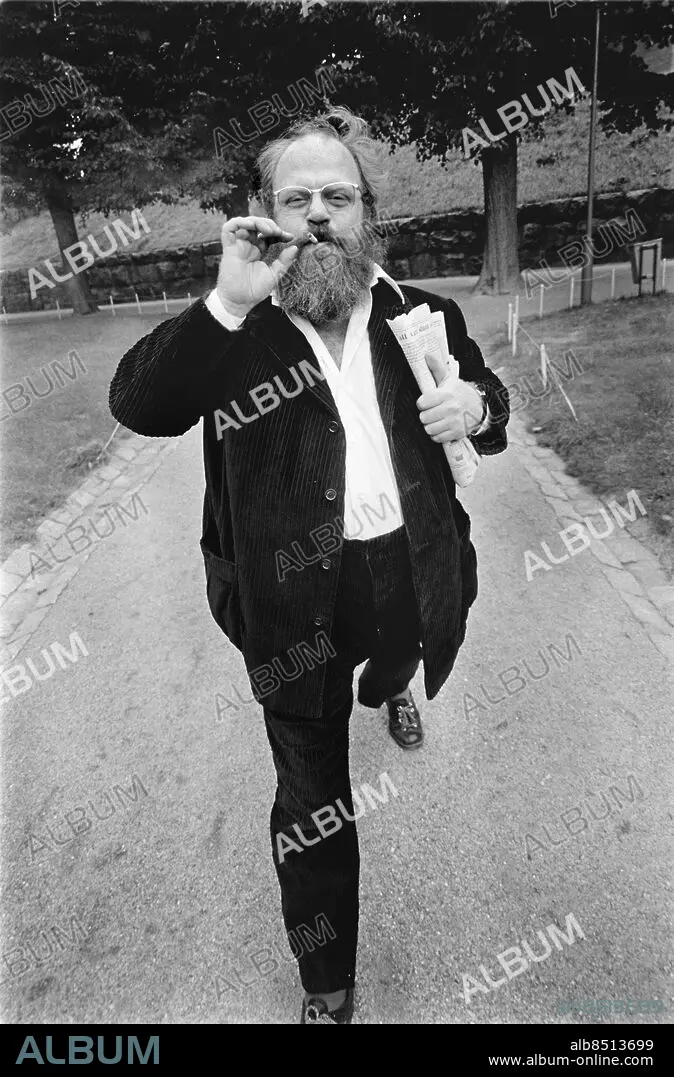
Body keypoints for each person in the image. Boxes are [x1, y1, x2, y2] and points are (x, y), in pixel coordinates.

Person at [109, 106, 510, 1024]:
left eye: (339, 196)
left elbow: (490, 405)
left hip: (409, 572)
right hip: (293, 605)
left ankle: (393, 684)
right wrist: (225, 300)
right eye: (298, 200)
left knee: (397, 661)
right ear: (265, 212)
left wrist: (477, 410)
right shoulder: (235, 328)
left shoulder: (421, 313)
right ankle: (327, 983)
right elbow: (140, 404)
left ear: (368, 211)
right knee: (311, 796)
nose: (320, 214)